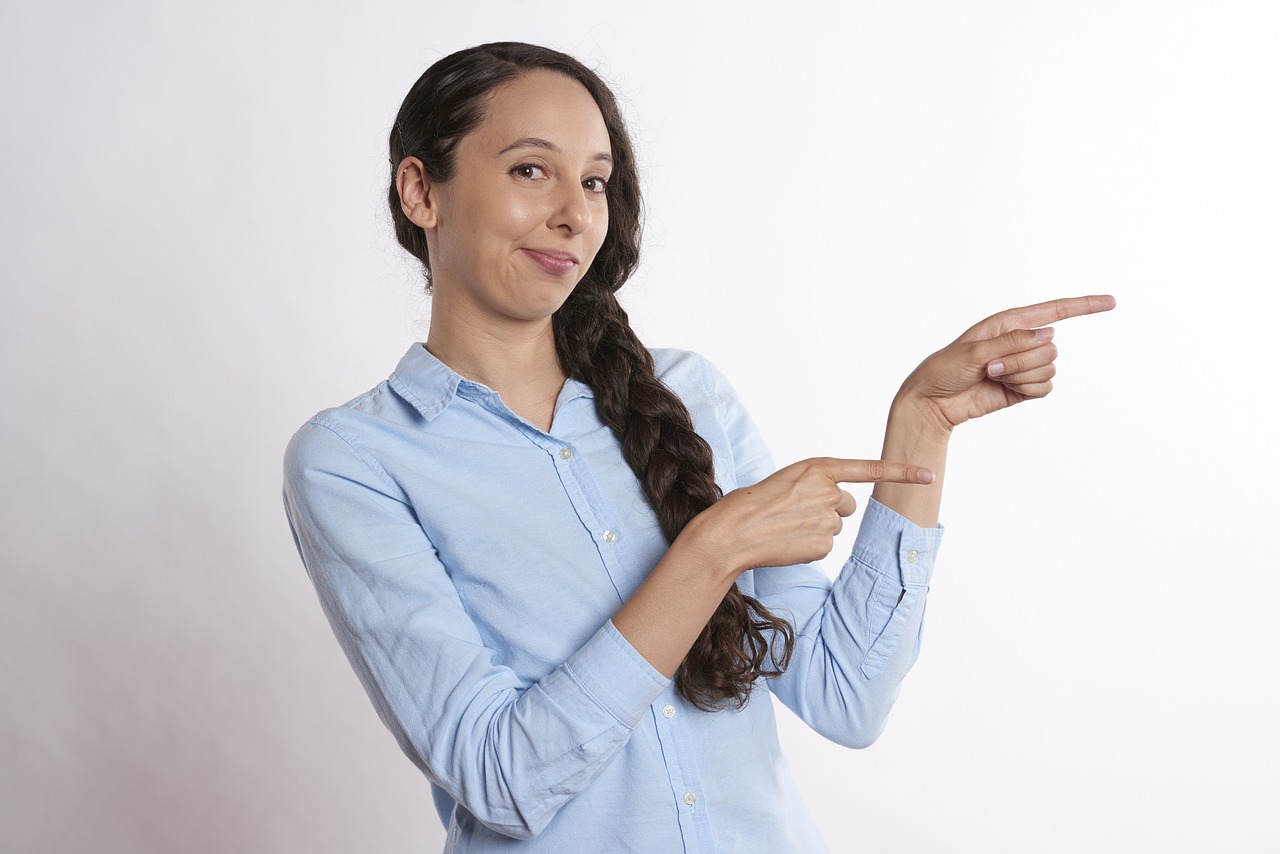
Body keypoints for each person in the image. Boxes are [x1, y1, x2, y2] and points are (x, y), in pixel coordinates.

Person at [282, 41, 1115, 852]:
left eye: (596, 180)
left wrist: (922, 423)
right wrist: (710, 552)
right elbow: (504, 780)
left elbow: (846, 696)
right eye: (530, 169)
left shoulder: (689, 396)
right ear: (421, 190)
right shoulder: (355, 461)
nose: (576, 214)